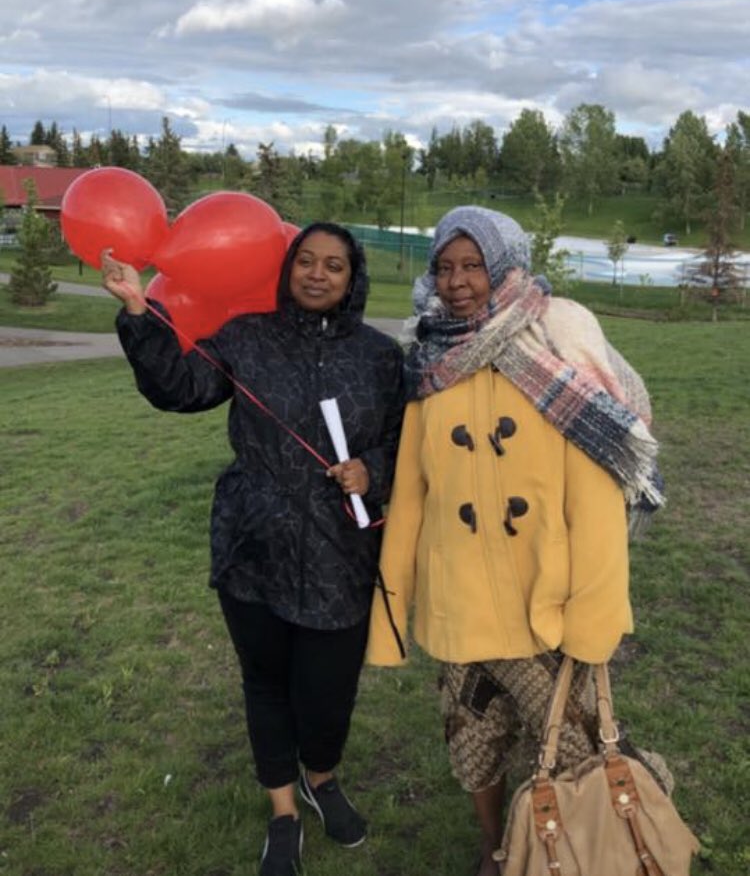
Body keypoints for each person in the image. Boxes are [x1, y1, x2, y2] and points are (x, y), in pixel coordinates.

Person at [366, 206, 662, 876]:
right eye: (444, 266)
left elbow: (594, 502)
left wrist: (594, 619)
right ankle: (497, 850)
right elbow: (409, 499)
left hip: (547, 608)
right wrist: (390, 619)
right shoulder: (430, 363)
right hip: (458, 606)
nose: (457, 282)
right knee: (473, 743)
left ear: (503, 264)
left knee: (574, 746)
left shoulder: (553, 349)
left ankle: (583, 851)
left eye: (472, 264)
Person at [102, 222, 405, 876]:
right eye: (306, 261)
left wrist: (372, 472)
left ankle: (321, 779)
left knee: (326, 692)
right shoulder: (247, 337)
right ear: (287, 267)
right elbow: (181, 389)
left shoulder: (381, 357)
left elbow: (406, 442)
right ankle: (283, 812)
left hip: (338, 555)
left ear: (353, 280)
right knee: (265, 682)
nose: (317, 274)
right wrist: (137, 310)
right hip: (253, 544)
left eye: (333, 266)